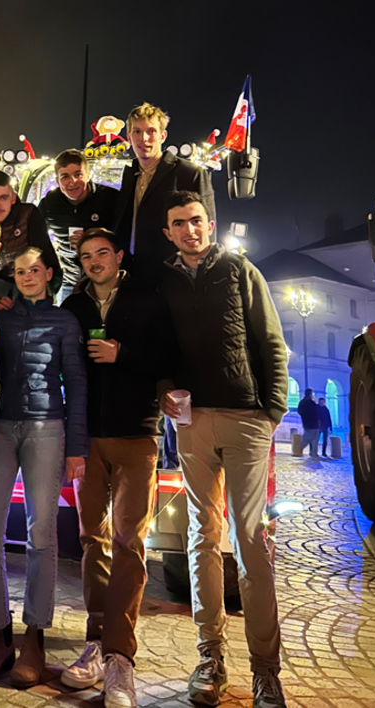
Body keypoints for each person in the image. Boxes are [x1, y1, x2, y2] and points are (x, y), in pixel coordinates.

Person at [158, 191, 288, 708]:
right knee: (201, 539)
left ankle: (266, 672)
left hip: (245, 418)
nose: (190, 230)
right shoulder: (164, 281)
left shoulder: (239, 271)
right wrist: (164, 385)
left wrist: (272, 410)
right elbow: (160, 347)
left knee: (252, 542)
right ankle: (209, 659)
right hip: (192, 423)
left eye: (196, 221)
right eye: (179, 224)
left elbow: (271, 342)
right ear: (167, 232)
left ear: (208, 224)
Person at [61, 229, 174, 708]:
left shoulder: (148, 299)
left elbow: (170, 357)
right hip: (88, 435)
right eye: (86, 257)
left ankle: (120, 659)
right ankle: (95, 639)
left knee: (130, 542)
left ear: (118, 256)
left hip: (136, 435)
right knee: (92, 540)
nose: (93, 262)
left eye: (101, 253)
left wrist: (121, 353)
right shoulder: (74, 306)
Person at [0, 248, 88, 688]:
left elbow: (75, 384)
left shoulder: (64, 322)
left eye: (34, 270)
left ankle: (35, 636)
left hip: (46, 426)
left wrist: (76, 446)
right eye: (20, 272)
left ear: (49, 275)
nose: (26, 277)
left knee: (42, 534)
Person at [114, 103, 215, 282]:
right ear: (129, 137)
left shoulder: (189, 173)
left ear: (163, 136)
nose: (143, 138)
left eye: (151, 131)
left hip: (172, 276)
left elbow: (205, 231)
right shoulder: (129, 174)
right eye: (137, 131)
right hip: (133, 274)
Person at [38, 149, 117, 302]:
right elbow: (36, 239)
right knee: (69, 323)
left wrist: (91, 240)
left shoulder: (110, 199)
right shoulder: (50, 203)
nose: (72, 182)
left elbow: (123, 238)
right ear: (57, 180)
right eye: (65, 176)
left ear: (88, 175)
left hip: (105, 279)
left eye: (78, 174)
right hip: (68, 280)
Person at [0, 170, 62, 294]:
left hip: (27, 296)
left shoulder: (28, 216)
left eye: (3, 198)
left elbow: (50, 265)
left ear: (13, 198)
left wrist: (37, 302)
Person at [297, 388, 320, 460]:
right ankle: (302, 450)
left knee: (308, 438)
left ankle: (311, 452)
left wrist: (305, 417)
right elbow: (316, 411)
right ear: (310, 394)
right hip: (313, 424)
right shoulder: (311, 403)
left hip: (306, 423)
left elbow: (299, 411)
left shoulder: (302, 402)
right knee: (313, 439)